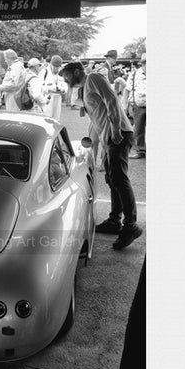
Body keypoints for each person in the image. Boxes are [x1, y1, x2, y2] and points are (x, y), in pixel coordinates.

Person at [60, 61, 143, 250]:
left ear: (76, 71)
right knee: (112, 178)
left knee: (119, 179)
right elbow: (98, 109)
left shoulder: (94, 78)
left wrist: (115, 131)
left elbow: (112, 101)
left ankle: (131, 226)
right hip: (109, 137)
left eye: (66, 76)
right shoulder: (85, 87)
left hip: (118, 133)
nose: (65, 80)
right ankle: (115, 220)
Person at [122, 53, 146, 159]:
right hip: (139, 105)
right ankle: (141, 150)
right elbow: (127, 90)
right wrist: (124, 105)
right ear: (143, 64)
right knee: (139, 128)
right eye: (145, 64)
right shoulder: (135, 73)